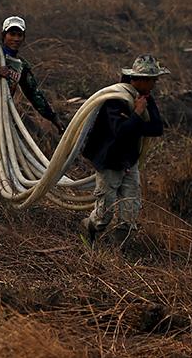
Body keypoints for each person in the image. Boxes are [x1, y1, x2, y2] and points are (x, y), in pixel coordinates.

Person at [0, 16, 63, 209]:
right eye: (12, 34)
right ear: (4, 35)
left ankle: (5, 194)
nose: (16, 38)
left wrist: (53, 118)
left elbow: (35, 95)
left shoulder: (21, 65)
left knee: (8, 156)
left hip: (3, 117)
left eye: (19, 34)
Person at [80, 55, 168, 244]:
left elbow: (157, 128)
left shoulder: (145, 98)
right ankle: (89, 229)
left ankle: (116, 251)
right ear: (141, 80)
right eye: (152, 80)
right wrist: (136, 114)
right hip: (111, 161)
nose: (155, 84)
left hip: (129, 161)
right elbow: (120, 132)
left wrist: (135, 121)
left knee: (130, 215)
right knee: (104, 214)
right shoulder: (116, 99)